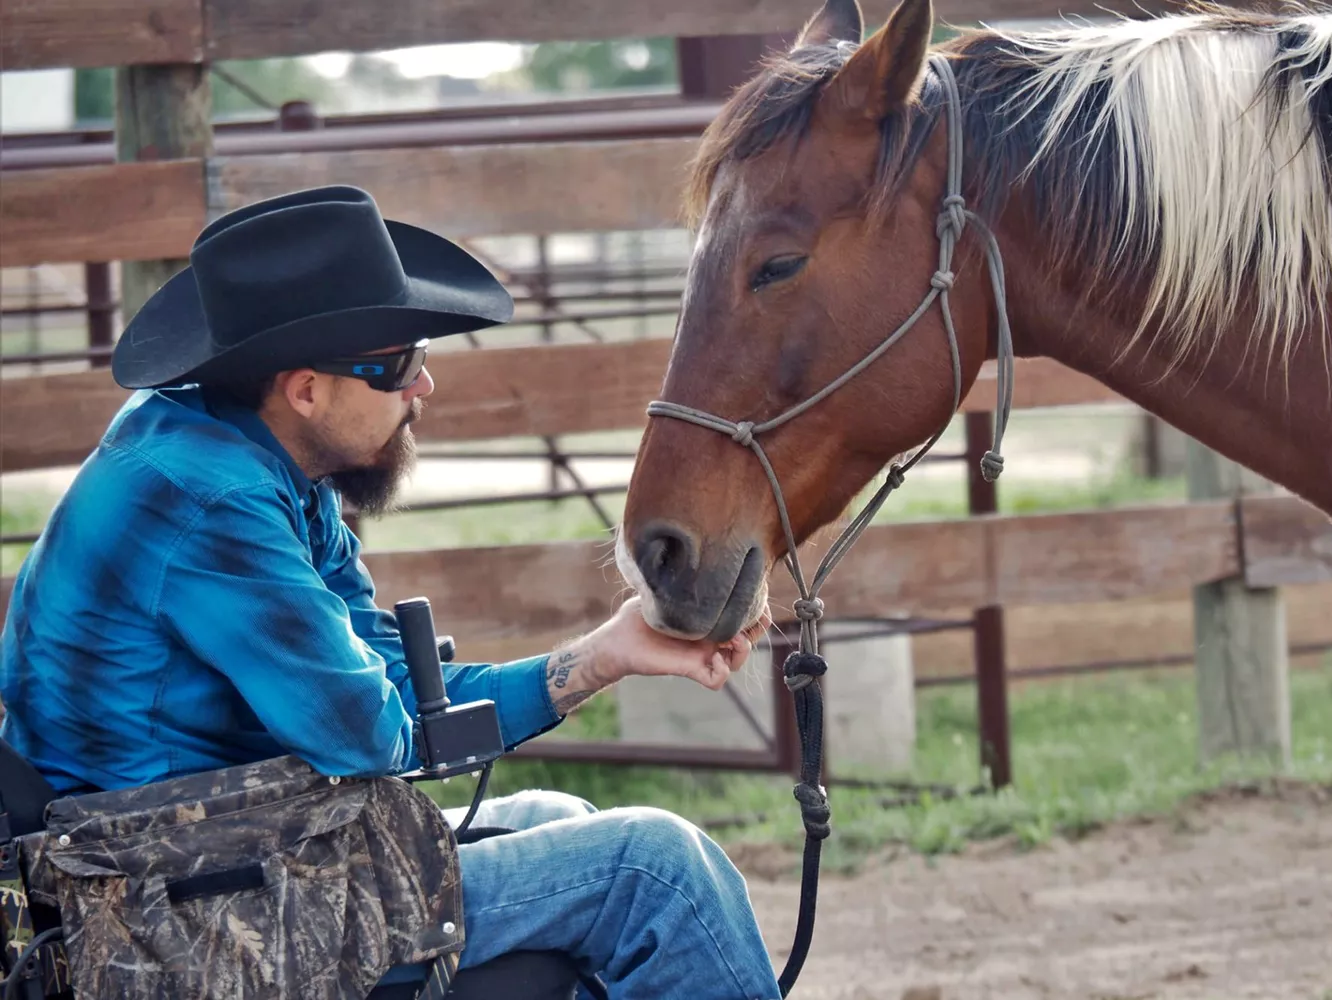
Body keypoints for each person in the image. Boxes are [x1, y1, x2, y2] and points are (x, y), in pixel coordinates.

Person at [0, 185, 782, 1000]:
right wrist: (429, 702)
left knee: (559, 818)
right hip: (166, 901)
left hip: (232, 851)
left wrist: (606, 654)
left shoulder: (267, 464)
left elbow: (403, 696)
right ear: (305, 389)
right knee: (655, 868)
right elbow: (368, 737)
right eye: (399, 364)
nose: (423, 387)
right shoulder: (210, 499)